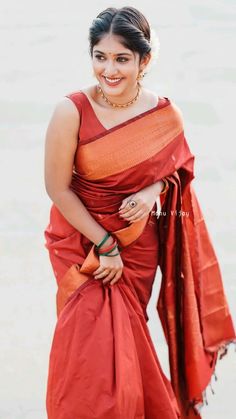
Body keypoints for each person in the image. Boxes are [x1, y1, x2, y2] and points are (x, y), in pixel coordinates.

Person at [44, 6, 235, 419]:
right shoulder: (71, 111)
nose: (108, 70)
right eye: (100, 56)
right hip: (83, 247)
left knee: (128, 350)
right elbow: (57, 188)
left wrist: (152, 190)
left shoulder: (164, 117)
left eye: (121, 59)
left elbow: (179, 173)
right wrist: (105, 244)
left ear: (144, 60)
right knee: (86, 363)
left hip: (137, 249)